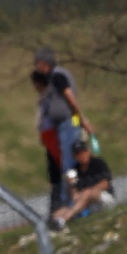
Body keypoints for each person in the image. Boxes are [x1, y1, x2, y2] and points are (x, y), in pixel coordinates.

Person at [34, 47, 94, 185]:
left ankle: (73, 192)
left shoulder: (57, 75)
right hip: (67, 121)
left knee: (69, 159)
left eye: (37, 63)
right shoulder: (55, 76)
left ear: (44, 63)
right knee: (66, 159)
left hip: (68, 121)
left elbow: (70, 98)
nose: (37, 67)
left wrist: (81, 120)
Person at [49, 140, 116, 231]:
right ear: (74, 156)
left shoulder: (98, 163)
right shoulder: (75, 170)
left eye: (84, 152)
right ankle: (56, 222)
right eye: (79, 154)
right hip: (86, 205)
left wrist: (87, 192)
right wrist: (72, 186)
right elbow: (74, 194)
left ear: (88, 151)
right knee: (57, 213)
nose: (82, 155)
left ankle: (63, 220)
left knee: (87, 193)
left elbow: (105, 184)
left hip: (104, 199)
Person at [31, 70, 65, 215]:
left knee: (62, 171)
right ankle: (56, 207)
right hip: (50, 139)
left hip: (58, 138)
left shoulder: (52, 97)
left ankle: (61, 206)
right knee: (55, 175)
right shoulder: (43, 98)